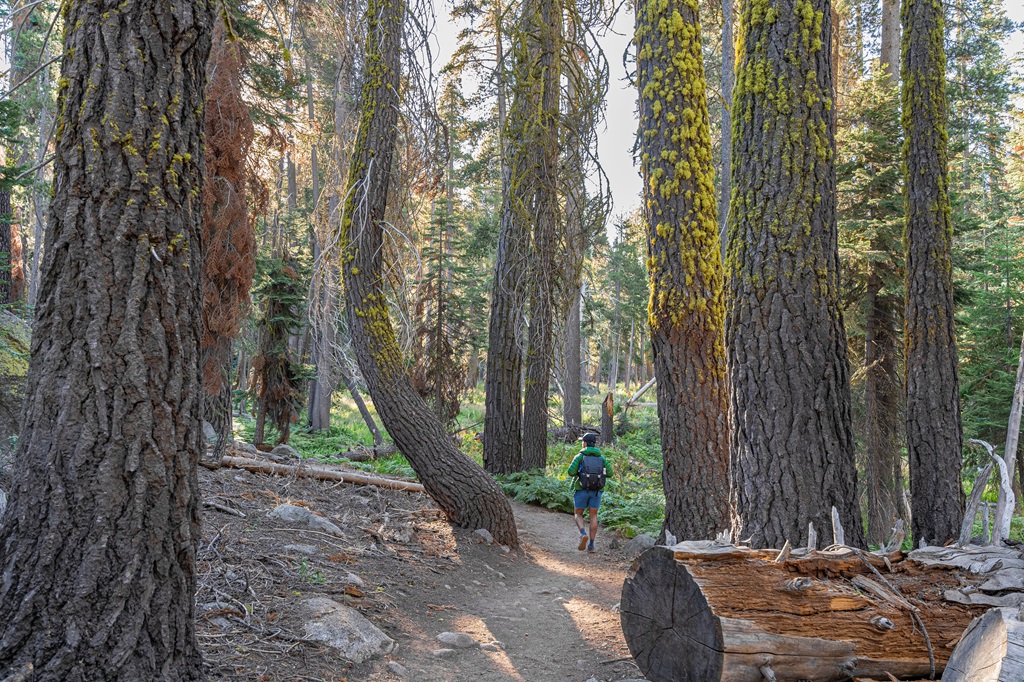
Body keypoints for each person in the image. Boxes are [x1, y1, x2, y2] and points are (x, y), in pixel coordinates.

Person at [568, 432, 612, 553]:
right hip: (597, 491)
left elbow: (571, 472)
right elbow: (610, 473)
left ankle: (583, 533)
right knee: (593, 516)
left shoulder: (580, 456)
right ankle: (592, 545)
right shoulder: (601, 458)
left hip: (581, 489)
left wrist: (580, 473)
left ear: (585, 443)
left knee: (578, 514)